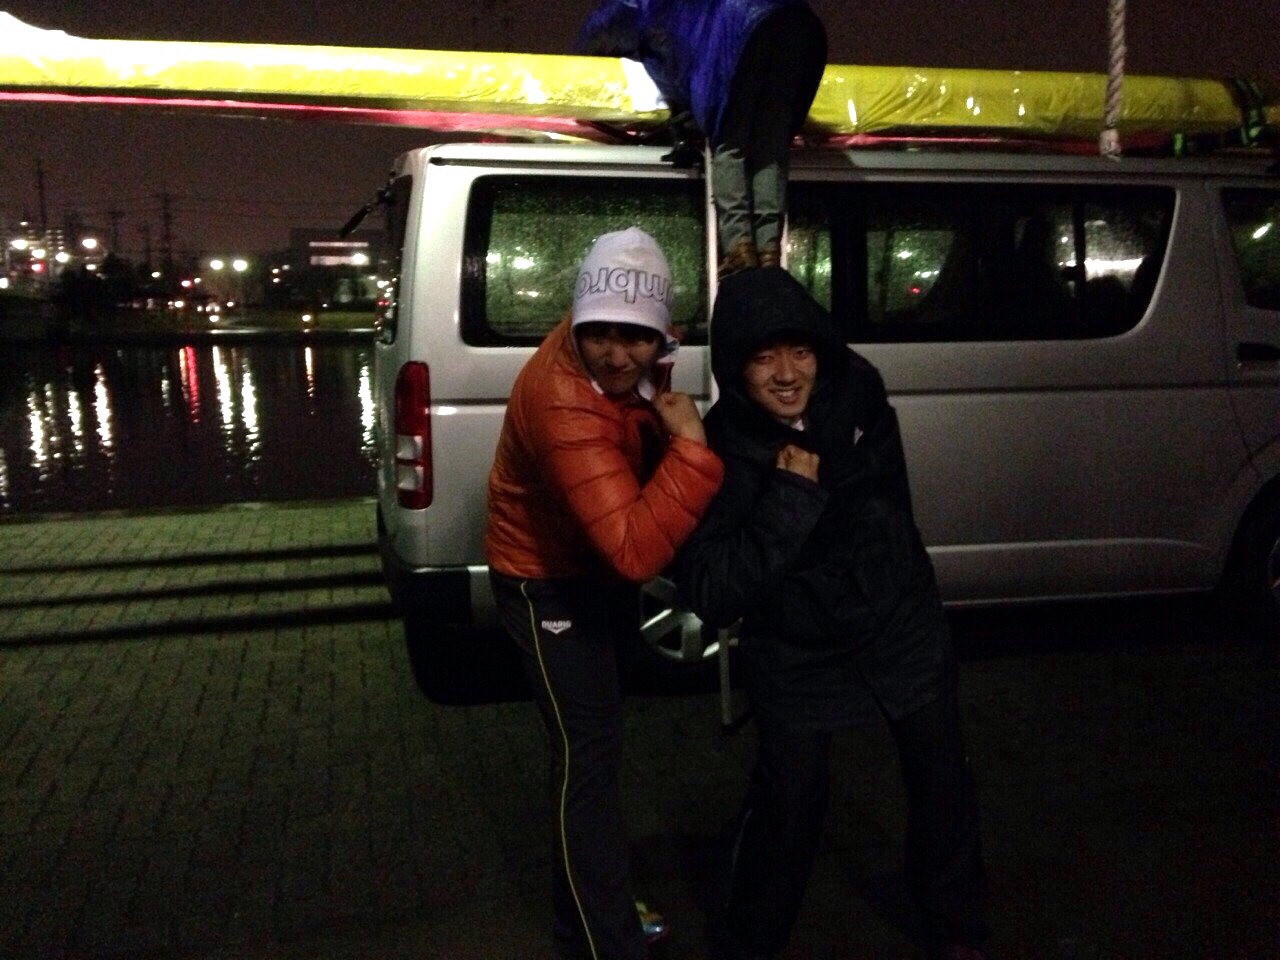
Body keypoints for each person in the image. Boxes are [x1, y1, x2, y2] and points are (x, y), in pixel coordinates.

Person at [672, 268, 990, 960]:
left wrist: (885, 571)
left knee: (942, 780)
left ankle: (958, 928)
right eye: (763, 358)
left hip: (897, 620)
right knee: (790, 803)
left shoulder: (857, 392)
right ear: (735, 366)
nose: (788, 374)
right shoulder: (719, 448)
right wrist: (790, 496)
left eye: (800, 351)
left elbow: (886, 506)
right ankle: (750, 942)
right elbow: (711, 589)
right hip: (795, 648)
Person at [486, 227, 724, 960]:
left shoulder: (629, 372)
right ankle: (600, 939)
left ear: (662, 334)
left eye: (636, 337)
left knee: (592, 748)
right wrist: (691, 447)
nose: (616, 355)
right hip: (544, 583)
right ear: (578, 322)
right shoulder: (563, 402)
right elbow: (632, 552)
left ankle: (600, 902)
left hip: (582, 569)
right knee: (585, 757)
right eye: (600, 334)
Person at [576, 0, 826, 278]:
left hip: (738, 29)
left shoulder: (647, 9)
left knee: (730, 142)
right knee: (770, 146)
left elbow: (608, 22)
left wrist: (581, 59)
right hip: (796, 19)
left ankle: (739, 247)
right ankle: (769, 250)